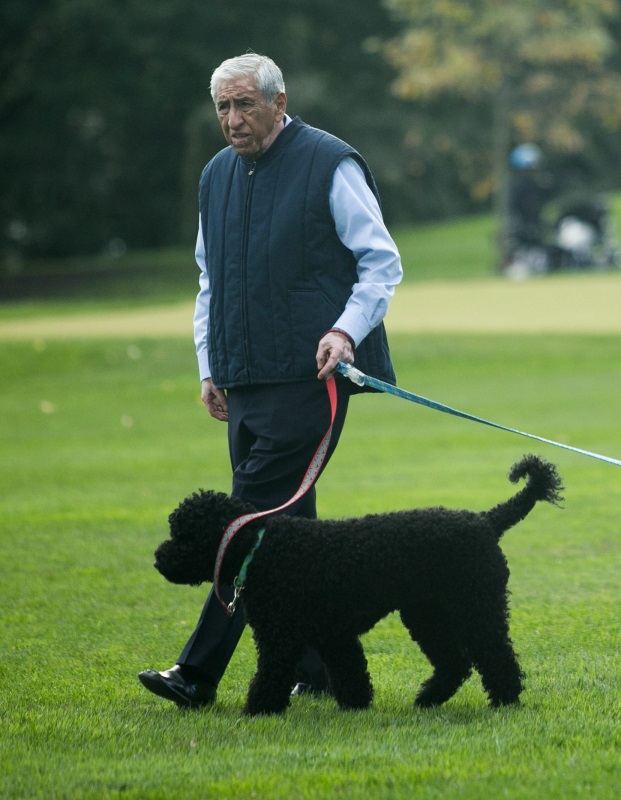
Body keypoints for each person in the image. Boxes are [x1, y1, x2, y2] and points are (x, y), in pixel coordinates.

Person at [138, 53, 401, 708]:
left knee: (245, 523)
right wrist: (210, 365)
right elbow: (211, 281)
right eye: (223, 107)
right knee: (290, 532)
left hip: (313, 380)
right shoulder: (215, 176)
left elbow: (381, 262)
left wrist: (345, 332)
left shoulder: (330, 163)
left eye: (244, 105)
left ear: (278, 102)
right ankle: (315, 667)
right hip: (243, 378)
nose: (232, 120)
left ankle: (196, 673)